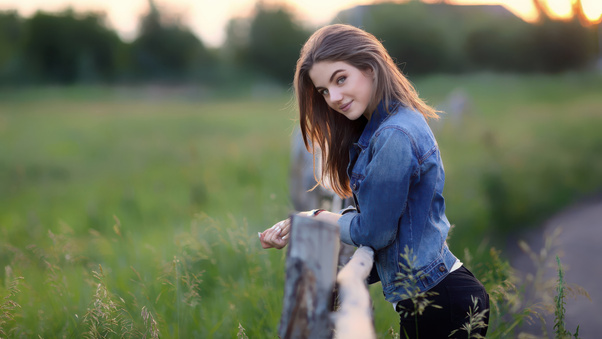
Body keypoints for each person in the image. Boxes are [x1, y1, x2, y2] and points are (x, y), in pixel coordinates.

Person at [259, 24, 489, 338]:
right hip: (435, 295)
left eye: (341, 79)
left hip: (439, 302)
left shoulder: (394, 134)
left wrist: (318, 217)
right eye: (324, 91)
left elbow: (375, 232)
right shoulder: (387, 125)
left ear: (370, 68)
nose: (334, 98)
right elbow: (383, 222)